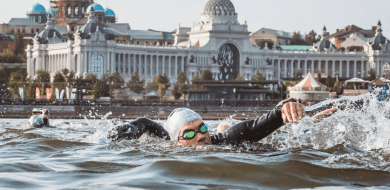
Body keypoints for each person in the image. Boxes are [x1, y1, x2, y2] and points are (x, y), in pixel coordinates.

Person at [108, 98, 306, 145]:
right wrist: (122, 132)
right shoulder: (167, 143)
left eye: (202, 128)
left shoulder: (224, 139)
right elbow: (143, 122)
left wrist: (284, 108)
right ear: (177, 140)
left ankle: (222, 124)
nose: (201, 136)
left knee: (226, 128)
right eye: (190, 133)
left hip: (224, 132)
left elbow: (261, 124)